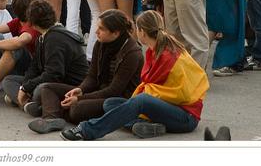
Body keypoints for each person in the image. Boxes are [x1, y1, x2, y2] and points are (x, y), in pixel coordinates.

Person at [61, 10, 209, 140]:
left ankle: (88, 130)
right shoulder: (155, 49)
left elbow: (171, 93)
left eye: (137, 30)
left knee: (141, 100)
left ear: (142, 32)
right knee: (110, 103)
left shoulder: (168, 55)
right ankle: (148, 126)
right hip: (170, 109)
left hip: (186, 116)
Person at [28, 9, 143, 134]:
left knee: (76, 109)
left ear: (115, 33)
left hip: (116, 99)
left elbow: (114, 90)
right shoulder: (100, 44)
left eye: (101, 29)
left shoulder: (132, 53)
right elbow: (92, 77)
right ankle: (51, 119)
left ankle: (50, 109)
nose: (96, 32)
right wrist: (80, 89)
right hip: (98, 91)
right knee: (47, 88)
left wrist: (80, 98)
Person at [2, 0, 89, 115]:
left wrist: (25, 89)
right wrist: (24, 86)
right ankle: (30, 105)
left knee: (40, 89)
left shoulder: (55, 38)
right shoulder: (43, 37)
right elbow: (34, 68)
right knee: (8, 81)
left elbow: (54, 74)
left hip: (69, 86)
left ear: (31, 23)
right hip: (52, 81)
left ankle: (30, 104)